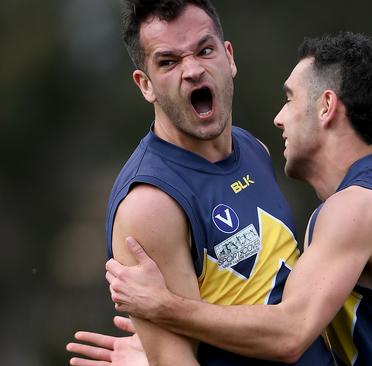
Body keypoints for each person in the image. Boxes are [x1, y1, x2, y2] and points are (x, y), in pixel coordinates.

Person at [76, 32, 372, 365]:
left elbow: (289, 334)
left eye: (289, 99)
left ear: (326, 107)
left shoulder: (355, 209)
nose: (278, 118)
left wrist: (163, 307)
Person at [65, 0, 333, 365]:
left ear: (229, 57)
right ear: (145, 85)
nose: (192, 70)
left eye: (204, 51)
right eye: (168, 62)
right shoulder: (150, 205)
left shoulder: (253, 148)